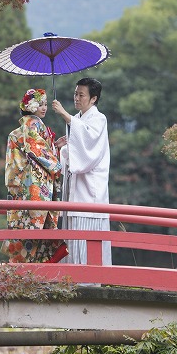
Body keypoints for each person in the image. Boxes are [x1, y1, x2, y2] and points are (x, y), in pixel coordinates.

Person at [2, 88, 68, 263]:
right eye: (40, 104)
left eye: (45, 104)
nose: (44, 108)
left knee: (25, 227)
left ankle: (24, 269)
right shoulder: (33, 123)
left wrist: (54, 146)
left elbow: (35, 149)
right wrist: (56, 163)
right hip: (34, 185)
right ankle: (35, 270)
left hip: (23, 183)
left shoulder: (24, 126)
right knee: (36, 226)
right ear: (31, 106)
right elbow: (36, 149)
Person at [51, 77, 112, 265]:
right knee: (73, 240)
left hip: (90, 192)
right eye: (75, 93)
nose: (76, 98)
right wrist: (64, 147)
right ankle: (73, 279)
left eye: (81, 95)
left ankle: (91, 281)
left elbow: (89, 148)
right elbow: (77, 152)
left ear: (93, 99)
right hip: (75, 191)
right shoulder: (77, 119)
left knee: (87, 239)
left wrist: (64, 114)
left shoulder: (99, 119)